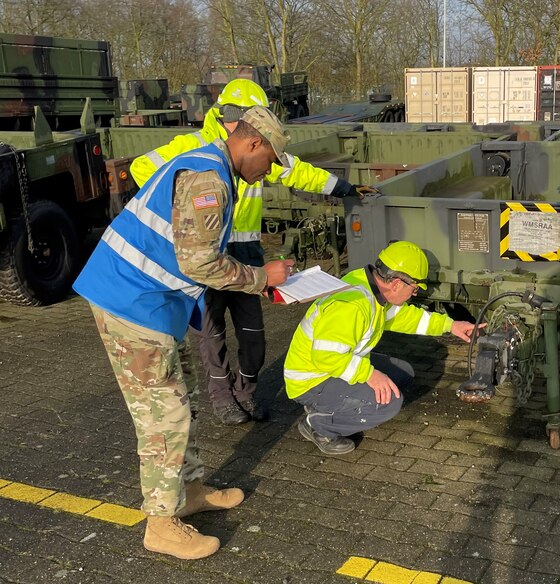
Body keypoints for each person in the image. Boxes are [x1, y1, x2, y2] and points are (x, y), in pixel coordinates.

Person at [74, 106, 293, 559]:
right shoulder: (209, 180)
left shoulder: (209, 165)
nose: (267, 172)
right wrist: (261, 278)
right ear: (252, 144)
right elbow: (199, 263)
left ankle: (188, 492)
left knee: (184, 396)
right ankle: (160, 522)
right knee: (163, 415)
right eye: (269, 161)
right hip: (131, 303)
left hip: (152, 303)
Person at [131, 79, 373, 426]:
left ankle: (246, 392)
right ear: (230, 116)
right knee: (211, 335)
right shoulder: (194, 147)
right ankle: (223, 399)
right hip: (206, 254)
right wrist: (183, 217)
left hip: (246, 252)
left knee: (252, 334)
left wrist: (345, 188)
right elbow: (142, 168)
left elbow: (298, 172)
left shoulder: (258, 148)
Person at [283, 241, 481, 454]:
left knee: (402, 374)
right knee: (390, 403)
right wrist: (369, 374)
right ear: (396, 283)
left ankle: (328, 406)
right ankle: (319, 426)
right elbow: (325, 356)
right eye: (414, 288)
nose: (413, 294)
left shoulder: (371, 288)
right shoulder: (352, 306)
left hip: (331, 366)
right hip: (311, 379)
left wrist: (450, 325)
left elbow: (403, 318)